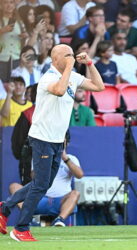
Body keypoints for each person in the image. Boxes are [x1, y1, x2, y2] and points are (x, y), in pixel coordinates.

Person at [0, 44, 104, 241]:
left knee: (43, 184)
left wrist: (89, 63)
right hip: (42, 138)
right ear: (55, 59)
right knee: (40, 185)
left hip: (57, 141)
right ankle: (21, 228)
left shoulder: (71, 76)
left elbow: (99, 86)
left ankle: (4, 208)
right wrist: (69, 67)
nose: (71, 58)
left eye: (72, 55)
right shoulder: (48, 77)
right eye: (67, 55)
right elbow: (59, 90)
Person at [9, 131, 84, 227]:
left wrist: (65, 158)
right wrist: (47, 159)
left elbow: (80, 175)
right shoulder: (41, 157)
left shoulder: (71, 158)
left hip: (60, 200)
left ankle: (59, 220)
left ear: (66, 143)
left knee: (75, 193)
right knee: (14, 187)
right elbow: (34, 177)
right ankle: (29, 218)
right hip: (40, 199)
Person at [0, 0, 27, 82]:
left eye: (11, 2)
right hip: (1, 58)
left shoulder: (20, 21)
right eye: (5, 2)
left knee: (15, 84)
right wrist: (2, 31)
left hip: (16, 57)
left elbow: (25, 37)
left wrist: (24, 36)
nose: (9, 5)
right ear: (1, 5)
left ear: (14, 5)